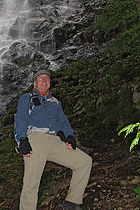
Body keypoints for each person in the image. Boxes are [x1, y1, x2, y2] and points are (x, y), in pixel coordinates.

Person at [14, 69, 92, 210]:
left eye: (47, 78)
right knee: (31, 184)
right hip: (36, 139)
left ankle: (72, 202)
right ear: (35, 83)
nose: (44, 80)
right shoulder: (27, 97)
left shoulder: (55, 102)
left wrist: (69, 137)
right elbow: (20, 119)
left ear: (50, 83)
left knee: (84, 161)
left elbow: (63, 122)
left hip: (55, 141)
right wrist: (22, 140)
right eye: (40, 78)